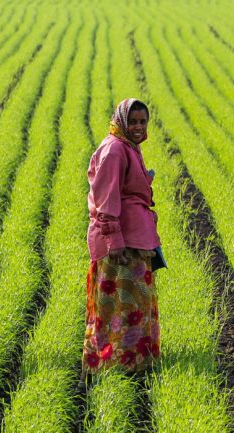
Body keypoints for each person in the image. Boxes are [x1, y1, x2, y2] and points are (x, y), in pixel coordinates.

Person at [83, 98, 162, 377]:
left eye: (143, 122)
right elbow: (105, 198)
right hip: (121, 244)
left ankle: (133, 362)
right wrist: (113, 240)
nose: (139, 127)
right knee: (116, 305)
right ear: (121, 121)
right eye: (134, 122)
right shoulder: (115, 150)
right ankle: (111, 363)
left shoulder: (129, 147)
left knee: (135, 304)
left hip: (136, 239)